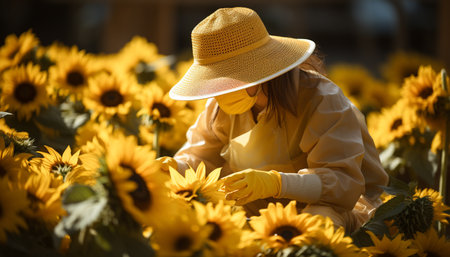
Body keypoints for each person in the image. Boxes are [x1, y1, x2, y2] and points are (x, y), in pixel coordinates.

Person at [163, 7, 388, 233]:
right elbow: (199, 157)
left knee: (317, 226)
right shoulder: (221, 107)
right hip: (262, 211)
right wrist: (175, 167)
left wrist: (276, 183)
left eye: (227, 76)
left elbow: (342, 184)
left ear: (258, 70)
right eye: (214, 79)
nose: (219, 90)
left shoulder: (321, 100)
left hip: (336, 207)